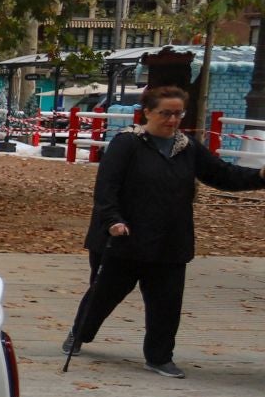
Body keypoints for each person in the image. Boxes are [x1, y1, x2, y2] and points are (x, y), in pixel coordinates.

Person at [63, 85, 264, 378]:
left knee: (166, 302)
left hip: (170, 240)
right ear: (147, 112)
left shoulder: (188, 147)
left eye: (177, 114)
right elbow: (107, 189)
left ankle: (159, 356)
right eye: (165, 113)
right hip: (124, 237)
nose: (172, 120)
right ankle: (79, 334)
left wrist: (259, 176)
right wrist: (112, 221)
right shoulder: (127, 143)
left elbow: (223, 174)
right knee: (104, 294)